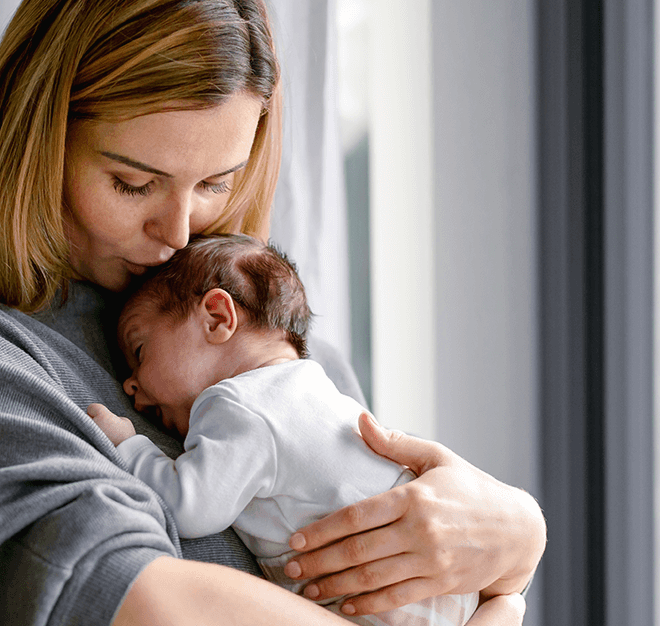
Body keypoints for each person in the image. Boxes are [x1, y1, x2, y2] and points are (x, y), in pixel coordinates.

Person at [0, 1, 545, 625]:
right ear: (39, 141)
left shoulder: (297, 358)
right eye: (134, 182)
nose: (179, 232)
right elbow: (128, 594)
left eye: (215, 183)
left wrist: (515, 543)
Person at [86, 233, 482, 626]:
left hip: (391, 599)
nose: (130, 386)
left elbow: (188, 506)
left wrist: (128, 443)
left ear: (217, 318)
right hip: (445, 588)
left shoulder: (240, 405)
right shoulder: (314, 389)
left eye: (140, 352)